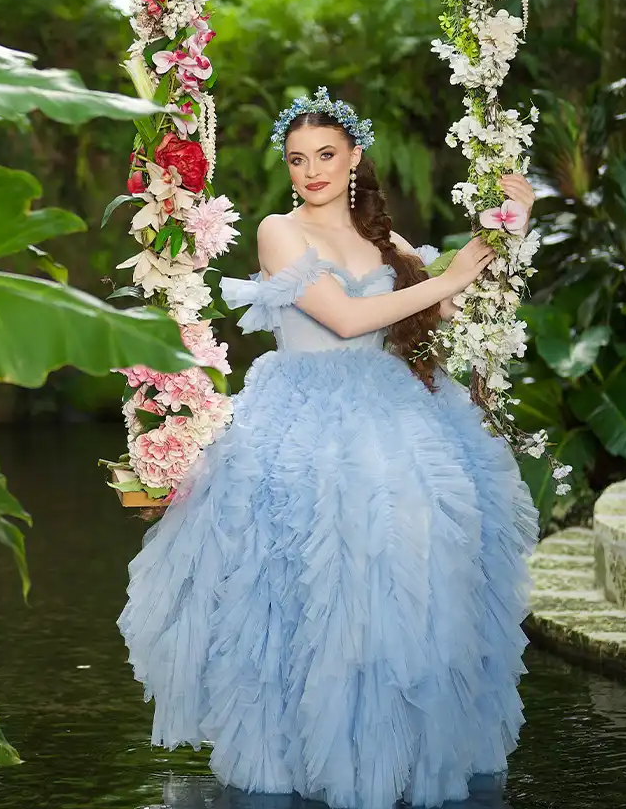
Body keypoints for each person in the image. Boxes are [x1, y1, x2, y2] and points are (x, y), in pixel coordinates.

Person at [118, 87, 539, 809]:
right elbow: (345, 318)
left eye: (326, 156)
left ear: (353, 159)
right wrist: (444, 277)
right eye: (297, 159)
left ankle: (397, 746)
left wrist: (509, 226)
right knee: (306, 579)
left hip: (392, 412)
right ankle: (303, 748)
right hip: (305, 416)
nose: (311, 170)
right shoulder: (281, 231)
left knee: (403, 563)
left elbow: (440, 305)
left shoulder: (386, 242)